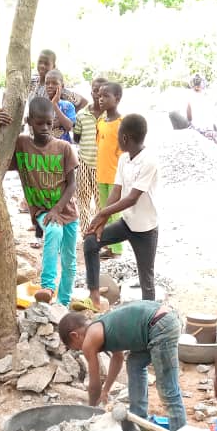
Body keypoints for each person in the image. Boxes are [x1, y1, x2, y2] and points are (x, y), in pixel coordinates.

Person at [58, 301, 187, 431]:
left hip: (160, 325)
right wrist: (106, 390)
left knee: (167, 388)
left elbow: (94, 384)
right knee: (134, 364)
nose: (81, 349)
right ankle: (140, 422)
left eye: (77, 347)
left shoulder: (90, 339)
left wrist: (90, 414)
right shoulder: (102, 326)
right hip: (160, 320)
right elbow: (118, 358)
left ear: (74, 336)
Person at [7, 97, 79, 306]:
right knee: (54, 230)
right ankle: (47, 286)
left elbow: (72, 185)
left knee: (69, 262)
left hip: (67, 210)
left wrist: (58, 209)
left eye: (49, 123)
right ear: (30, 121)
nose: (45, 128)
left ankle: (63, 304)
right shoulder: (21, 144)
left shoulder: (64, 148)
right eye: (39, 123)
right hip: (41, 209)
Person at [84, 114, 159, 307]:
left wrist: (101, 214)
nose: (117, 139)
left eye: (118, 135)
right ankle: (94, 299)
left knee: (146, 280)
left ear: (124, 137)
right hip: (127, 223)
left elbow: (132, 198)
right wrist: (102, 219)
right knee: (91, 242)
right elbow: (116, 191)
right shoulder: (124, 158)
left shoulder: (149, 161)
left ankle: (148, 316)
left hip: (146, 229)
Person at [74, 77, 108, 234]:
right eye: (96, 91)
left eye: (103, 93)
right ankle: (86, 232)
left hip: (102, 166)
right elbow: (76, 137)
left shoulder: (110, 117)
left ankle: (100, 231)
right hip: (83, 163)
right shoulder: (81, 114)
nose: (99, 96)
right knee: (83, 198)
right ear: (91, 92)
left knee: (102, 202)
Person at [96, 82, 125, 257]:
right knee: (104, 211)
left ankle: (117, 249)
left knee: (114, 212)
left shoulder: (122, 123)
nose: (101, 99)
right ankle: (109, 244)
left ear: (117, 99)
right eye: (99, 96)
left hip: (116, 176)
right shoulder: (100, 121)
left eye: (106, 96)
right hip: (102, 174)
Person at [186, 74, 217, 146]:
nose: (197, 87)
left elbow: (209, 112)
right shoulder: (192, 96)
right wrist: (190, 123)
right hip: (199, 126)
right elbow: (189, 111)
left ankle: (212, 137)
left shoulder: (205, 96)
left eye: (198, 85)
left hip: (205, 125)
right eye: (196, 86)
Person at [43, 69, 77, 143]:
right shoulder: (41, 105)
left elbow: (69, 127)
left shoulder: (67, 106)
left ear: (62, 86)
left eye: (54, 83)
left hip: (63, 149)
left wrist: (54, 105)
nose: (50, 86)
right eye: (47, 83)